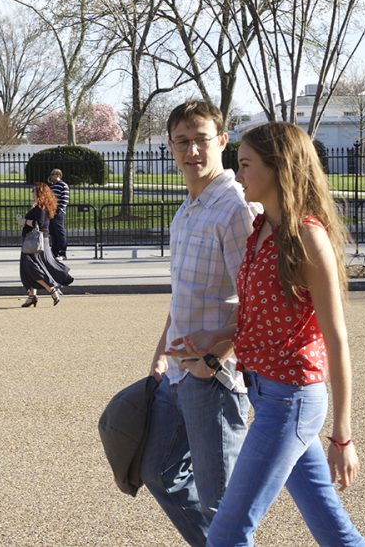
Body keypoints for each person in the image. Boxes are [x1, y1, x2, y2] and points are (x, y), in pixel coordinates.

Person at [168, 122, 365, 547]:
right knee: (332, 528)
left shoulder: (308, 238)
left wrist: (343, 435)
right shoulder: (260, 231)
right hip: (267, 394)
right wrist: (214, 337)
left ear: (278, 169)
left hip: (291, 401)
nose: (238, 176)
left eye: (245, 165)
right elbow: (259, 318)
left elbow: (337, 338)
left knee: (227, 533)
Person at [140, 99, 257, 546]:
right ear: (170, 146)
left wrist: (215, 356)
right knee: (159, 469)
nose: (193, 151)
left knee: (222, 502)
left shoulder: (233, 209)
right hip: (179, 370)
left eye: (202, 140)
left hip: (215, 377)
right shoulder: (187, 209)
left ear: (222, 141)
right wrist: (159, 355)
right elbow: (182, 294)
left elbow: (256, 301)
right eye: (183, 142)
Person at [18, 182, 73, 307]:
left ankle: (52, 290)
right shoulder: (40, 206)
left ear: (39, 193)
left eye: (34, 191)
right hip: (35, 241)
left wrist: (23, 221)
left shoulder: (41, 207)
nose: (32, 193)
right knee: (27, 269)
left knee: (32, 269)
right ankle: (32, 296)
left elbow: (39, 223)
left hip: (34, 242)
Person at [48, 169, 69, 260]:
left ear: (58, 175)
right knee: (53, 232)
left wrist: (58, 210)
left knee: (60, 232)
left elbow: (64, 200)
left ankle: (62, 253)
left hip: (58, 212)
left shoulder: (63, 185)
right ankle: (54, 252)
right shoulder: (52, 186)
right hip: (51, 211)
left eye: (52, 174)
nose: (51, 176)